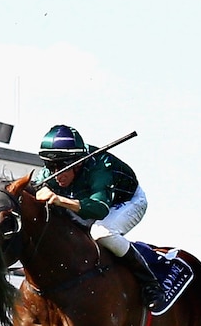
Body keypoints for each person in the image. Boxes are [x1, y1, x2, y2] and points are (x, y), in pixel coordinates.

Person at [32, 124, 166, 310]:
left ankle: (150, 284)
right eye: (50, 165)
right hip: (89, 201)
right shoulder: (50, 173)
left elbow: (99, 209)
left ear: (77, 162)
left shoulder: (100, 167)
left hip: (126, 202)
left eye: (62, 166)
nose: (56, 174)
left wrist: (60, 200)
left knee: (102, 232)